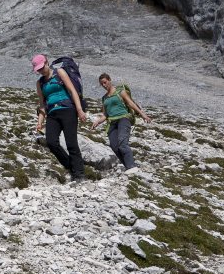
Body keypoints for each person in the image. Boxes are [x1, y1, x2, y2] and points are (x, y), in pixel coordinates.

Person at [32, 54, 87, 182]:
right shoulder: (39, 83)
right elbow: (42, 105)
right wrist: (39, 123)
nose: (40, 71)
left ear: (47, 62)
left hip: (68, 110)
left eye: (42, 67)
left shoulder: (59, 72)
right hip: (52, 113)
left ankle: (79, 175)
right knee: (51, 142)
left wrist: (79, 110)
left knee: (71, 143)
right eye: (38, 69)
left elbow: (72, 91)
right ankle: (70, 165)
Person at [91, 73, 151, 173]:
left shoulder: (120, 91)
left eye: (105, 82)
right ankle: (129, 167)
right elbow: (106, 114)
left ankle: (132, 167)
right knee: (114, 146)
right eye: (102, 84)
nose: (104, 85)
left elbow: (130, 103)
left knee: (122, 142)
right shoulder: (104, 98)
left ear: (110, 80)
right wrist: (97, 121)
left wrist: (142, 114)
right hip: (111, 122)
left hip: (123, 119)